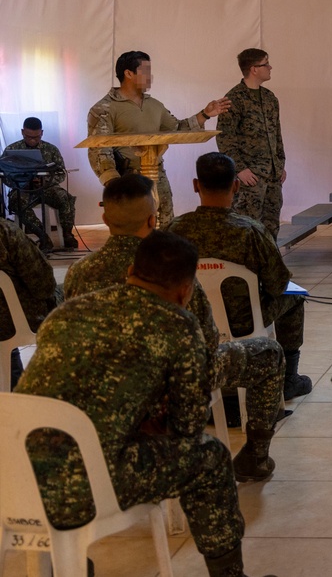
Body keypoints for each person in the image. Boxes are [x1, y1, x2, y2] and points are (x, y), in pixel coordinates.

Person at [16, 231, 275, 577]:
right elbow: (187, 428)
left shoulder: (67, 313)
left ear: (129, 272)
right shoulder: (178, 324)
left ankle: (69, 564)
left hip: (15, 478)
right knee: (209, 458)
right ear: (185, 291)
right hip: (84, 490)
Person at [64, 174, 285, 481]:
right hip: (170, 386)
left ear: (104, 218)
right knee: (269, 354)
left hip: (106, 385)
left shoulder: (78, 272)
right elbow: (206, 340)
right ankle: (255, 459)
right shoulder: (168, 266)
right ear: (153, 220)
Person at [167, 152, 311, 400]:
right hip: (245, 321)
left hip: (193, 319)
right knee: (294, 297)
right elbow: (279, 285)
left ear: (195, 185)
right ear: (236, 185)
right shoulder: (251, 231)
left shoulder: (174, 230)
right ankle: (289, 380)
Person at [86, 50, 231, 226]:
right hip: (126, 178)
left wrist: (205, 114)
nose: (150, 77)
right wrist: (114, 184)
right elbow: (99, 149)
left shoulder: (154, 105)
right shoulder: (104, 108)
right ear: (128, 73)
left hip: (157, 175)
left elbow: (177, 129)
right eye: (145, 71)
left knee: (165, 228)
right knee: (134, 228)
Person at [216, 49, 286, 241]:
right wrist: (240, 169)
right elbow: (225, 138)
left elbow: (276, 134)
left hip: (272, 176)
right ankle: (247, 270)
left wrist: (280, 165)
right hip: (250, 177)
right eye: (266, 63)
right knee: (246, 226)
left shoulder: (270, 98)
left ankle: (270, 267)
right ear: (254, 69)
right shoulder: (234, 99)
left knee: (271, 226)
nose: (270, 67)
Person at [0, 217, 60, 390]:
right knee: (70, 289)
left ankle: (12, 379)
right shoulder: (6, 231)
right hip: (14, 321)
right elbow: (44, 285)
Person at [3, 116, 77, 250]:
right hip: (23, 189)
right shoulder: (12, 150)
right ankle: (42, 235)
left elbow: (61, 173)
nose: (32, 140)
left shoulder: (51, 149)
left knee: (65, 198)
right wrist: (22, 182)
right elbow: (4, 174)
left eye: (36, 137)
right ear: (22, 132)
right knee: (16, 201)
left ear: (41, 133)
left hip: (47, 187)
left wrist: (46, 181)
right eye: (28, 136)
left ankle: (67, 234)